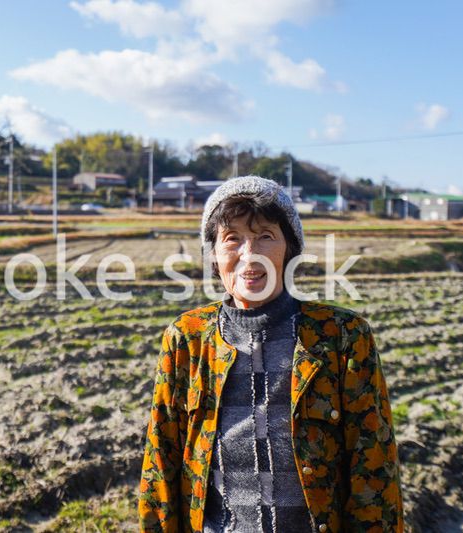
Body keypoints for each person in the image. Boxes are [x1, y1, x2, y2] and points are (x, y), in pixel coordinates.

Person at [138, 176, 403, 533]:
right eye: (232, 239)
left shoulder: (341, 336)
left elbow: (374, 468)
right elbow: (161, 460)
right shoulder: (188, 339)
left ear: (288, 251)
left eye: (265, 236)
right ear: (214, 255)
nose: (250, 255)